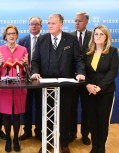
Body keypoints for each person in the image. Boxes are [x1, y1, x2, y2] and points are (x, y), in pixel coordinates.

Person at [31, 14, 85, 153]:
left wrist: (80, 73)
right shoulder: (42, 39)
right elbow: (35, 60)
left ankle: (64, 142)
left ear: (61, 24)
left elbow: (78, 60)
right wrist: (35, 72)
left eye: (53, 23)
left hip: (66, 85)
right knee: (47, 114)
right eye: (48, 23)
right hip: (46, 84)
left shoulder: (71, 39)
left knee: (65, 115)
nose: (50, 26)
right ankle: (48, 141)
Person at [0, 25, 28, 152]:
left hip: (19, 86)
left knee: (17, 115)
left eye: (13, 33)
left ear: (17, 35)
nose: (11, 36)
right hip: (4, 87)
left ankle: (16, 140)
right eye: (9, 34)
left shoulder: (23, 49)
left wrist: (26, 64)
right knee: (7, 116)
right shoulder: (0, 49)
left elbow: (26, 70)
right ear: (5, 36)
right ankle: (8, 139)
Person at [85, 25, 119, 153]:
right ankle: (94, 147)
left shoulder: (113, 51)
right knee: (92, 120)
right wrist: (88, 85)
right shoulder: (88, 52)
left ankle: (101, 148)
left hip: (106, 92)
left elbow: (112, 72)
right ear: (93, 37)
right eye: (96, 34)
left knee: (103, 121)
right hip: (90, 92)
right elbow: (83, 72)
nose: (98, 36)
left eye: (101, 34)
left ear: (106, 37)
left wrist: (100, 87)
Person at [18, 16, 42, 141]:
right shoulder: (22, 40)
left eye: (37, 24)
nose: (34, 26)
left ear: (41, 26)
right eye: (32, 24)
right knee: (26, 106)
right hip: (25, 78)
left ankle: (39, 131)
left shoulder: (45, 39)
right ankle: (27, 130)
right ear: (28, 26)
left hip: (41, 78)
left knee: (40, 106)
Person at [69, 12, 92, 145]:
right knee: (71, 108)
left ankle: (85, 134)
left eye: (80, 21)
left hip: (87, 79)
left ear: (87, 22)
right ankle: (71, 133)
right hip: (72, 80)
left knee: (86, 108)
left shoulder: (92, 36)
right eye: (75, 21)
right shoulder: (69, 37)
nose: (77, 23)